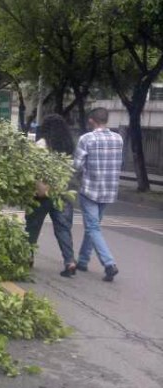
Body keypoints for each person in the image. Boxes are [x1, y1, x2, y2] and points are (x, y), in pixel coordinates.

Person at [73, 107, 123, 282]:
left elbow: (77, 165)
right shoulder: (119, 139)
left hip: (90, 190)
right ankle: (83, 261)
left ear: (91, 121)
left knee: (92, 227)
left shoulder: (86, 139)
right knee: (93, 226)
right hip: (109, 190)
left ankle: (109, 264)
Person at [25, 115, 76, 277]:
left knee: (32, 226)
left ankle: (27, 257)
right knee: (63, 228)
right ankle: (70, 262)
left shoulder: (41, 145)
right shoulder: (69, 146)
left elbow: (32, 167)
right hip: (62, 192)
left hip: (42, 194)